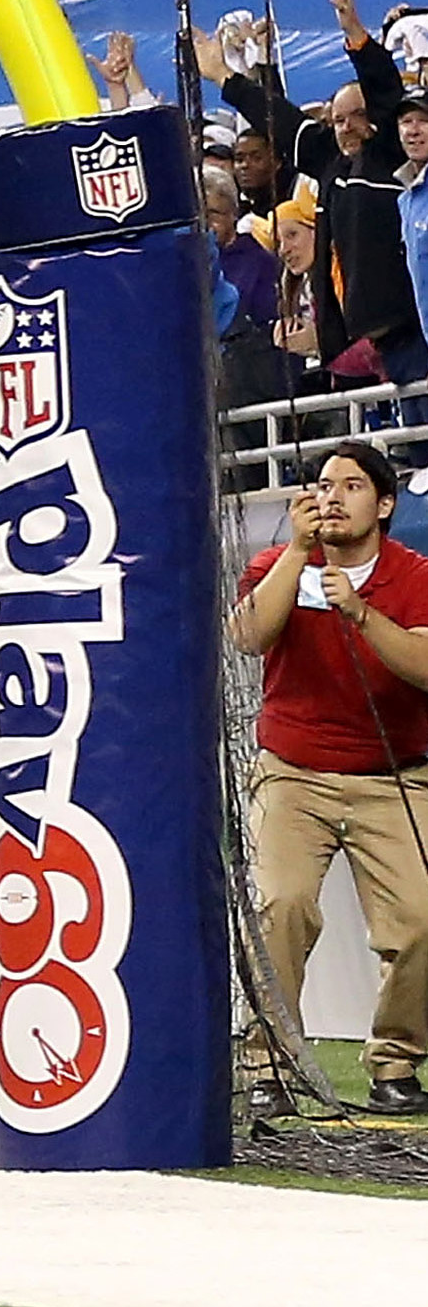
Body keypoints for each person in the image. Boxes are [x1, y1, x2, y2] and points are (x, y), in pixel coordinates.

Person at [230, 443, 428, 1118]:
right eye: (321, 485)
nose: (332, 496)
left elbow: (425, 668)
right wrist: (294, 553)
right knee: (282, 906)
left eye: (351, 485)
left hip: (393, 774)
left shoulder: (414, 576)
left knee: (422, 920)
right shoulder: (279, 564)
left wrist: (363, 614)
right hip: (293, 773)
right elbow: (250, 636)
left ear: (385, 503)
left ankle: (395, 1062)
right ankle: (269, 1065)